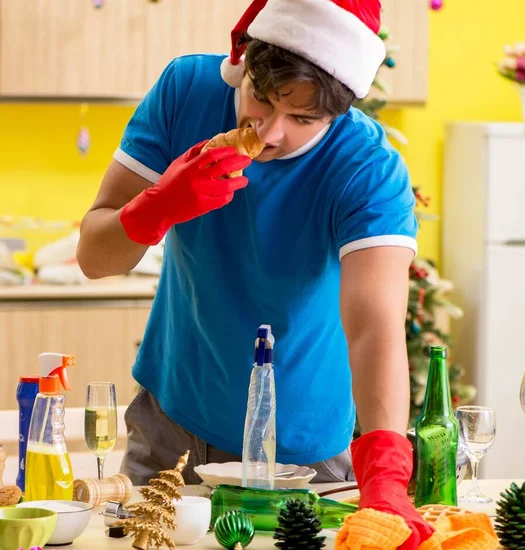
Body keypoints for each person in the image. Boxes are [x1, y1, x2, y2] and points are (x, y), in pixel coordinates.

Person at [77, 0, 434, 547]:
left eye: (302, 119)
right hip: (169, 429)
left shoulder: (366, 168)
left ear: (335, 113)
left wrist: (385, 476)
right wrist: (156, 206)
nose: (268, 133)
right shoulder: (186, 91)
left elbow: (374, 327)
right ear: (242, 65)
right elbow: (94, 258)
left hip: (302, 457)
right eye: (260, 99)